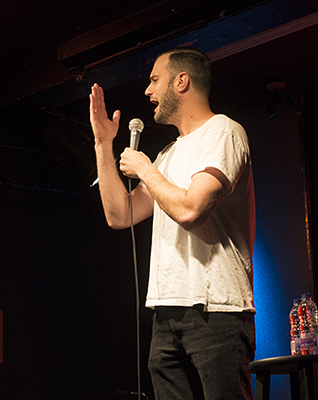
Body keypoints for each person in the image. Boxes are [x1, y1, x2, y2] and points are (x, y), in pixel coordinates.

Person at [89, 47, 256, 400]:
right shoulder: (167, 155)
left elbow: (192, 210)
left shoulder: (223, 132)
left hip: (216, 310)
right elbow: (120, 215)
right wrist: (103, 144)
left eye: (154, 80)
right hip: (166, 315)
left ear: (181, 82)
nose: (147, 90)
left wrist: (144, 169)